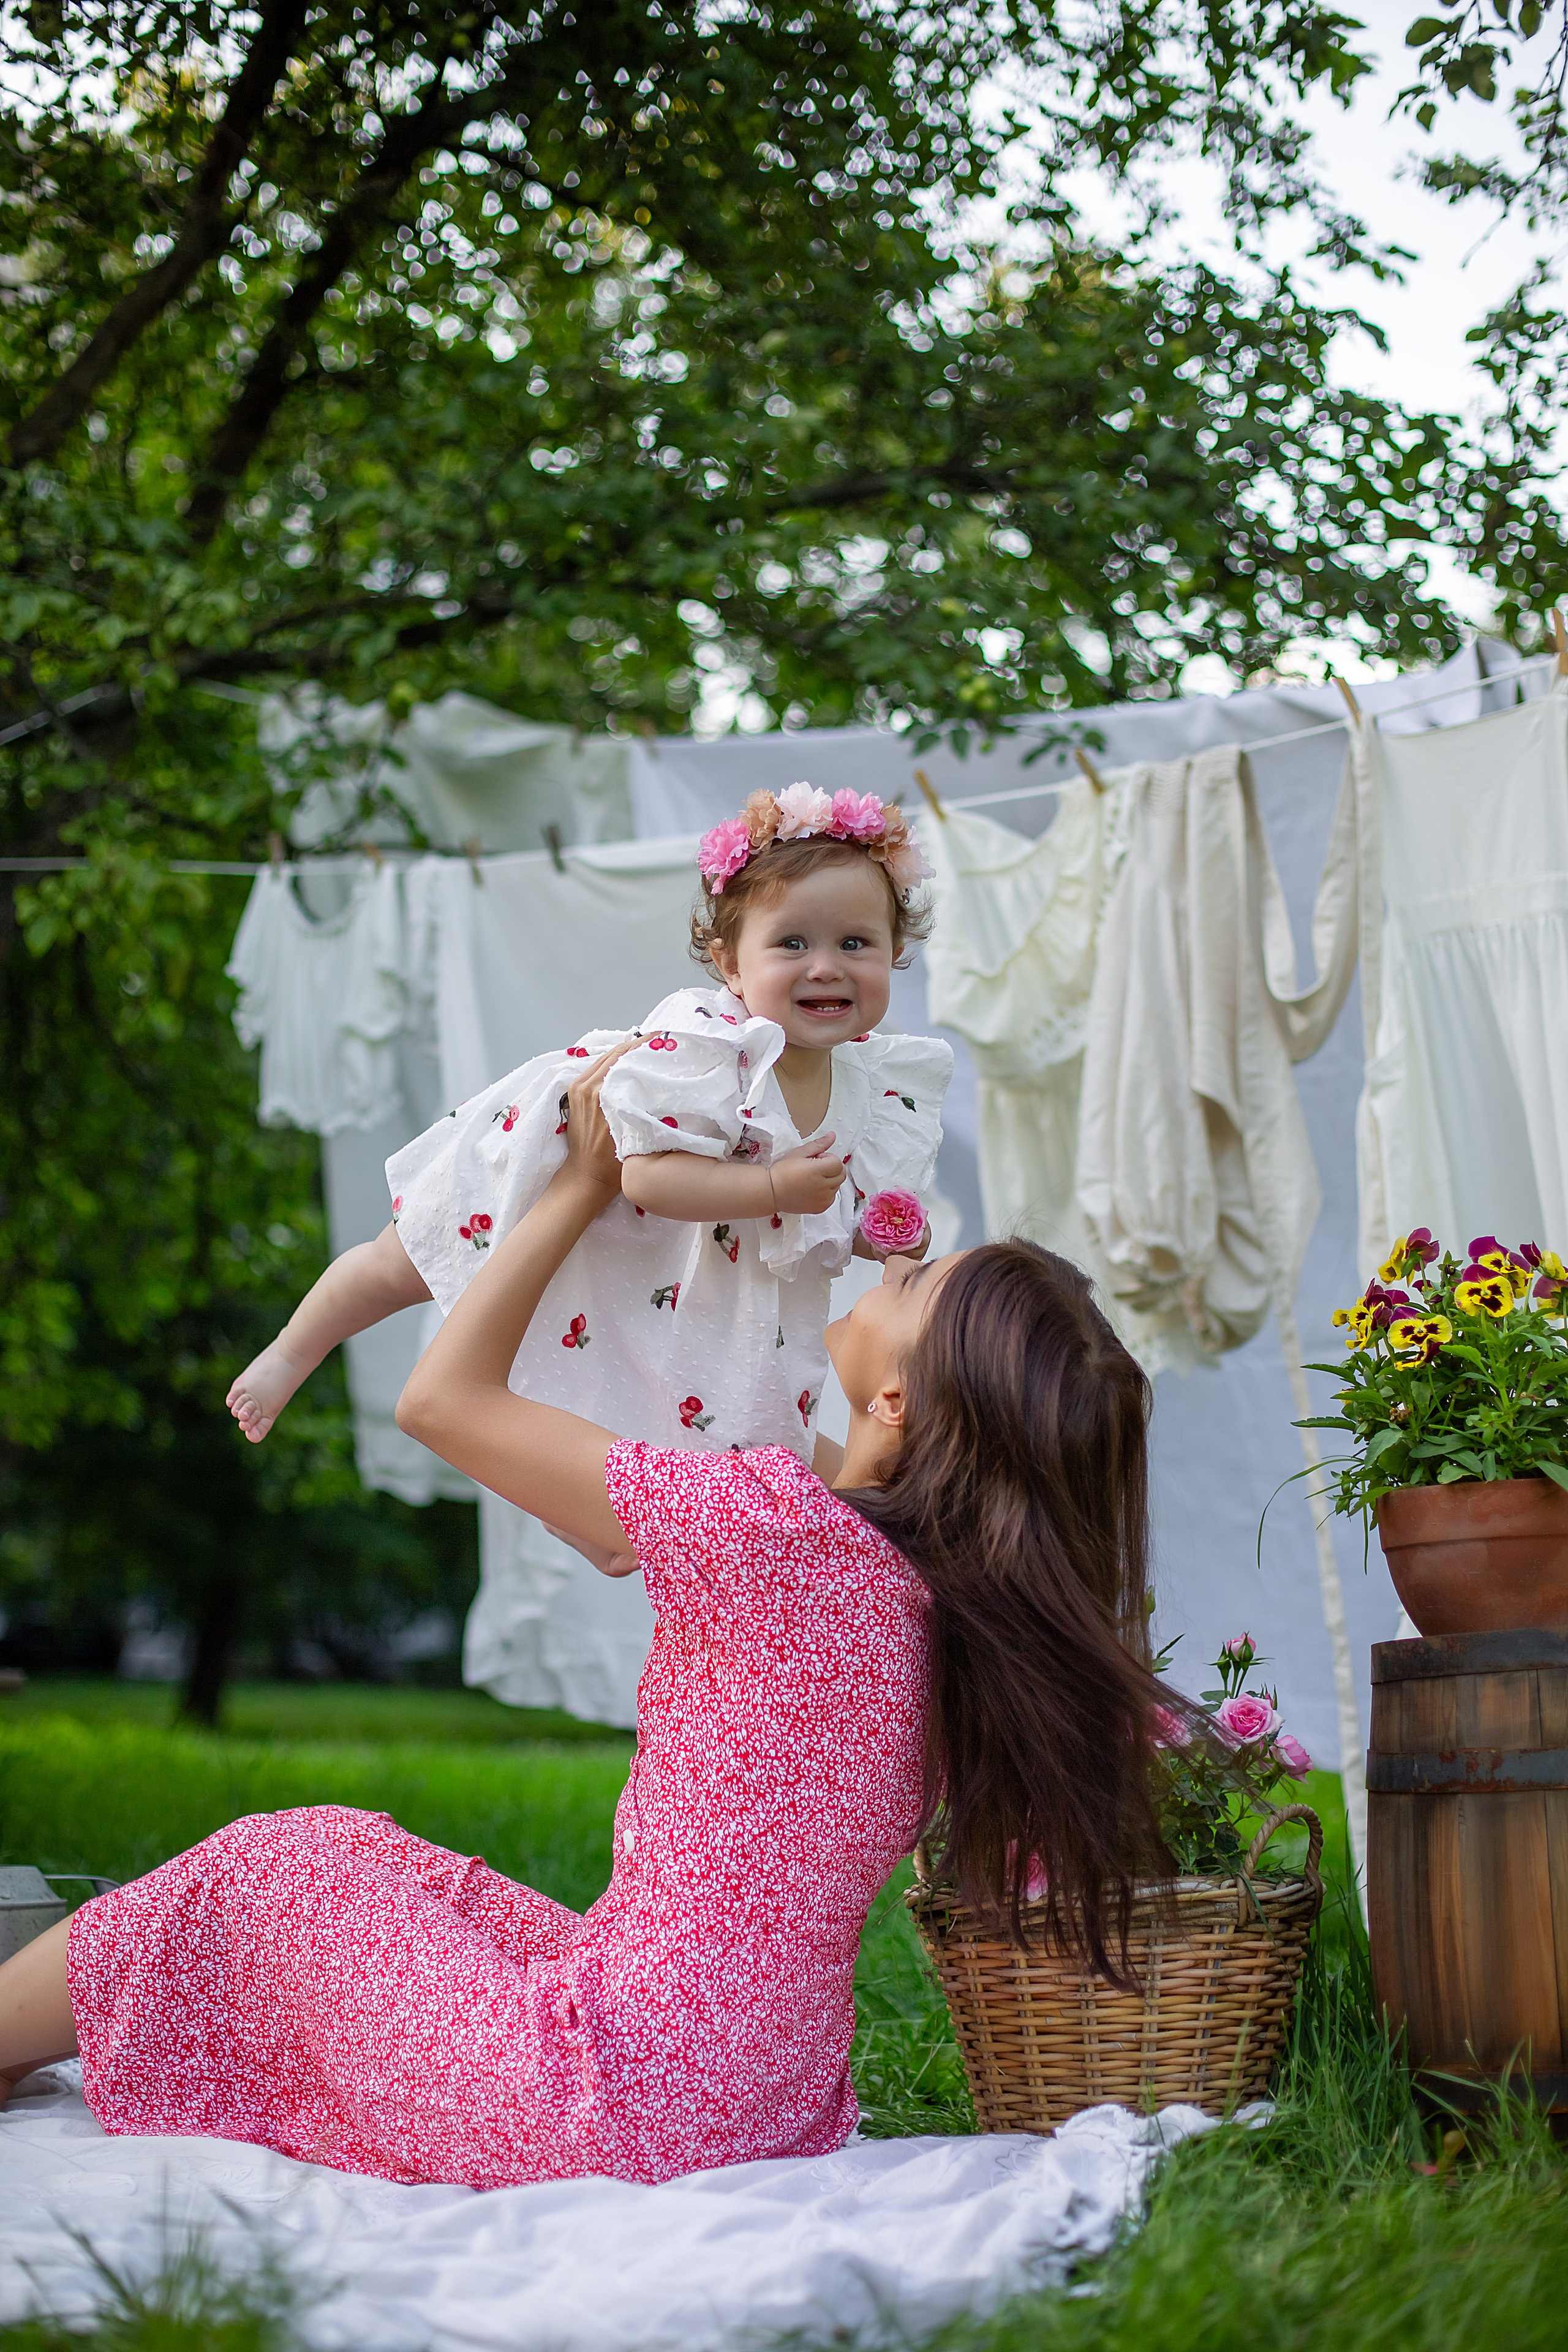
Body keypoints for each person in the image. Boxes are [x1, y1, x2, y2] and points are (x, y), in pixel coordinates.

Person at [0, 1051, 1170, 2189]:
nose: (888, 1265)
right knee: (393, 1868)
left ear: (901, 1400)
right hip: (759, 2106)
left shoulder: (782, 1533)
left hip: (606, 2097)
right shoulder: (936, 1604)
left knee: (273, 1865)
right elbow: (654, 1504)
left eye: (912, 1284)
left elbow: (441, 1400)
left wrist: (581, 1186)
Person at [225, 785, 951, 1471]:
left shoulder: (875, 1085)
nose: (825, 967)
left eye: (855, 944)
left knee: (656, 1381)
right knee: (404, 1262)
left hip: (674, 1247)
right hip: (560, 1159)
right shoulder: (709, 1048)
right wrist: (770, 1186)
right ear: (730, 965)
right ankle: (294, 1349)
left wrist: (877, 1238)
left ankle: (587, 1518)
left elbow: (830, 1211)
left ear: (894, 953)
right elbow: (642, 1174)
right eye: (792, 944)